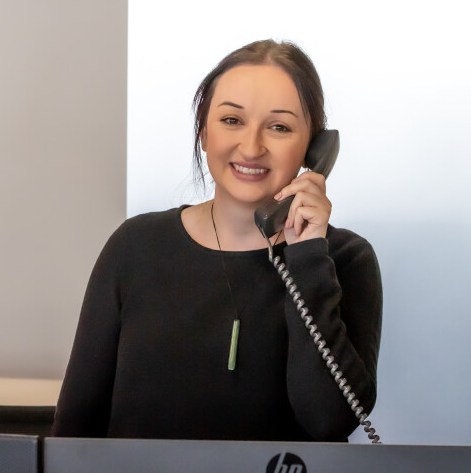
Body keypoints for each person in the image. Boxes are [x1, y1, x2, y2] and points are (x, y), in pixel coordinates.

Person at [52, 39, 382, 442]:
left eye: (279, 127)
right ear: (204, 132)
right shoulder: (135, 247)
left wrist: (307, 253)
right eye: (232, 120)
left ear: (313, 149)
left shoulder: (344, 259)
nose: (251, 147)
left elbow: (328, 420)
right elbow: (74, 428)